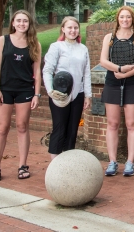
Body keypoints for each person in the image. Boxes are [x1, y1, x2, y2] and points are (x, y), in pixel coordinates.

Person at [0, 10, 42, 181]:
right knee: (2, 127)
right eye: (18, 21)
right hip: (4, 89)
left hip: (25, 90)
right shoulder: (2, 41)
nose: (22, 24)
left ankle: (22, 165)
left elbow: (37, 71)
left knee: (22, 126)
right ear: (13, 23)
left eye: (25, 21)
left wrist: (36, 94)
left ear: (29, 24)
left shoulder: (34, 43)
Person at [100, 6, 134, 176]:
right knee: (112, 124)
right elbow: (103, 61)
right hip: (112, 83)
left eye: (128, 17)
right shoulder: (109, 38)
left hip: (132, 83)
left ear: (132, 19)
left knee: (131, 124)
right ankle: (112, 162)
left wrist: (126, 73)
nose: (125, 20)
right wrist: (119, 69)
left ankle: (130, 163)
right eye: (122, 17)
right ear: (117, 19)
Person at [43, 16, 92, 160]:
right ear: (63, 29)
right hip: (60, 95)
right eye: (69, 27)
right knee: (59, 128)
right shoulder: (56, 47)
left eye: (75, 27)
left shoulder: (83, 49)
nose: (73, 30)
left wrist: (88, 95)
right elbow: (47, 70)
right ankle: (55, 165)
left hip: (78, 94)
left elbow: (86, 73)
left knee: (72, 130)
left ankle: (67, 163)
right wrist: (51, 91)